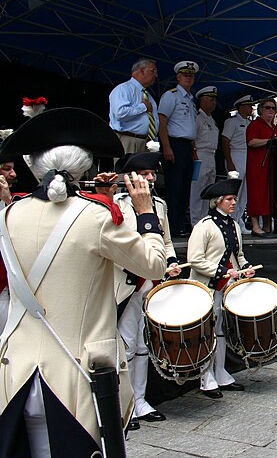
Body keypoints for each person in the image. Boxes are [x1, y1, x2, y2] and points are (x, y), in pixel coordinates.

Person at [0, 108, 167, 457]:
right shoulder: (96, 217)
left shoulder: (10, 212)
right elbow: (153, 265)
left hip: (15, 376)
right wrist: (147, 214)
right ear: (85, 168)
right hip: (75, 380)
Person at [100, 152, 181, 431]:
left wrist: (169, 261)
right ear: (130, 178)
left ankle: (141, 399)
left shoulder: (159, 204)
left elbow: (166, 241)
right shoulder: (117, 204)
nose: (150, 178)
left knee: (144, 345)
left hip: (150, 285)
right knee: (125, 344)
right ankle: (124, 405)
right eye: (144, 173)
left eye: (152, 173)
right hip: (125, 285)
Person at [187, 177, 256, 398]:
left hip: (228, 285)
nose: (234, 202)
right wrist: (221, 272)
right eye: (229, 199)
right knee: (207, 332)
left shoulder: (234, 225)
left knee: (221, 331)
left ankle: (221, 373)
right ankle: (206, 378)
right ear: (217, 202)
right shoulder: (204, 226)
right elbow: (195, 259)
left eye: (235, 199)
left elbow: (238, 255)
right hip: (208, 286)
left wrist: (245, 267)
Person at [158, 60, 199, 235]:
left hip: (187, 146)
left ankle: (180, 224)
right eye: (185, 75)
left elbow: (190, 127)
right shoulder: (171, 95)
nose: (188, 78)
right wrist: (166, 147)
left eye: (191, 75)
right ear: (178, 76)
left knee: (184, 189)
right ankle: (172, 226)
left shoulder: (191, 99)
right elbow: (162, 122)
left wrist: (194, 150)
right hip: (174, 144)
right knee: (174, 187)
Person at [108, 57, 160, 154]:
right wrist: (143, 107)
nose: (155, 75)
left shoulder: (149, 96)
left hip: (148, 142)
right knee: (129, 169)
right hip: (129, 139)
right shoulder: (123, 89)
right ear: (142, 71)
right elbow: (120, 113)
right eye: (153, 71)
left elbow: (154, 121)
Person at [246, 99, 277, 236]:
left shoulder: (273, 127)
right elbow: (251, 141)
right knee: (257, 194)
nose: (271, 110)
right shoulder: (255, 124)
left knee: (268, 195)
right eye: (268, 108)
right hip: (258, 165)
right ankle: (255, 226)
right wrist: (268, 141)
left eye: (273, 108)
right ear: (261, 110)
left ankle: (267, 226)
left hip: (271, 166)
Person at [221, 95, 255, 233]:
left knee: (245, 192)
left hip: (248, 155)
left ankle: (238, 220)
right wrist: (229, 161)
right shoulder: (232, 122)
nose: (251, 108)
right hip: (236, 154)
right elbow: (225, 141)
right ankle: (230, 220)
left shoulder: (250, 123)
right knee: (235, 191)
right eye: (248, 106)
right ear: (241, 107)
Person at [190, 86, 220, 225]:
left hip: (211, 155)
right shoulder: (197, 117)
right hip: (200, 154)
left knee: (208, 189)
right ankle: (195, 221)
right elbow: (192, 138)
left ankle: (204, 219)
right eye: (211, 99)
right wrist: (194, 153)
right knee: (197, 190)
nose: (214, 102)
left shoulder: (212, 120)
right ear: (202, 101)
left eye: (215, 100)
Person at [0, 137, 17, 334]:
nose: (13, 174)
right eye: (6, 168)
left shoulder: (16, 201)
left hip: (6, 288)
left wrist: (7, 201)